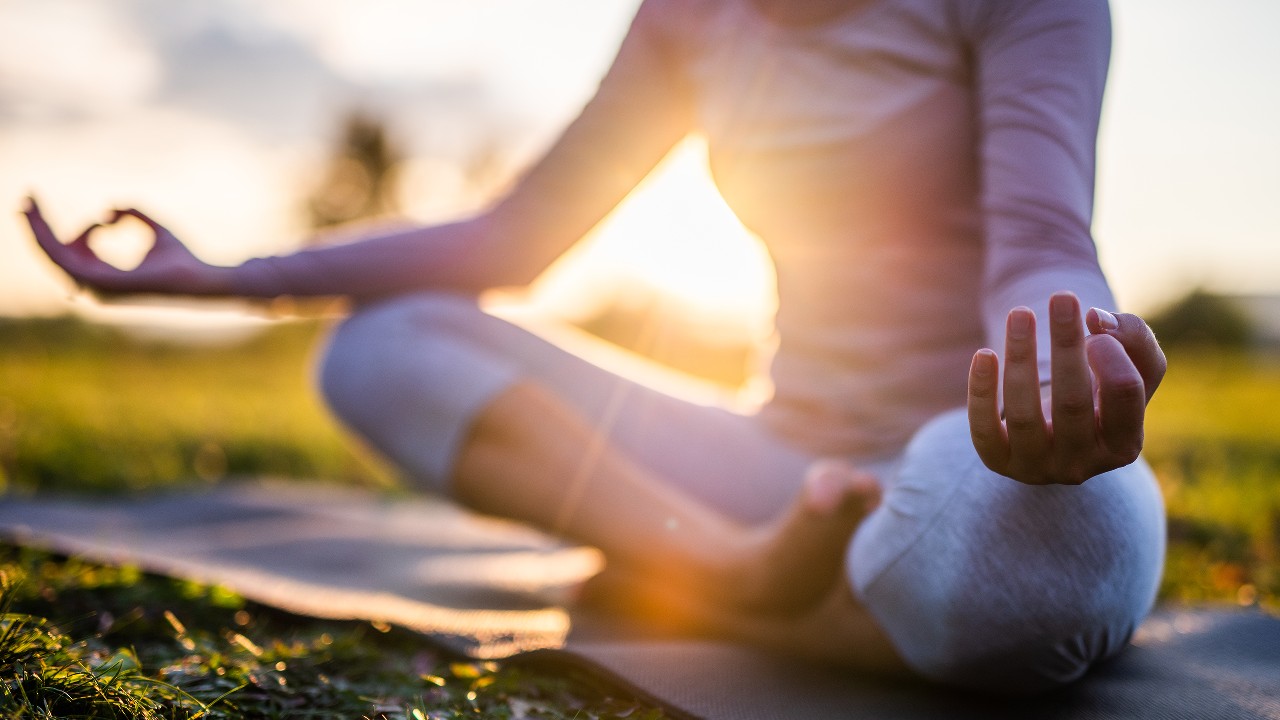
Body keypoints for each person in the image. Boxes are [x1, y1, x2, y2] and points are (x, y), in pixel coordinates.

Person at [24, 0, 1167, 694]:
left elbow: (1038, 243)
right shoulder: (692, 16)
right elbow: (513, 239)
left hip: (969, 461)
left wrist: (1077, 358)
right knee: (378, 348)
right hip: (776, 470)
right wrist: (224, 279)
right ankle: (725, 570)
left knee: (1045, 568)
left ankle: (716, 584)